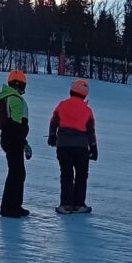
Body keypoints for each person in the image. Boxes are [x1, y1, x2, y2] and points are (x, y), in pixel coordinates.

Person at [48, 79, 97, 214]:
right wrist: (93, 148)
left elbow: (54, 121)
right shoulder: (87, 110)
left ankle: (65, 205)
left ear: (71, 91)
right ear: (85, 94)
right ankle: (79, 205)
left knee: (66, 175)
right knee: (81, 175)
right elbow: (91, 130)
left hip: (63, 146)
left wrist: (52, 136)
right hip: (81, 147)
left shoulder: (62, 105)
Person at [0, 69, 31, 218]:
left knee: (17, 173)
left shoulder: (7, 97)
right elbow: (17, 124)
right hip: (13, 140)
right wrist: (23, 142)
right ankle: (9, 208)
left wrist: (23, 142)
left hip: (10, 139)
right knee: (16, 173)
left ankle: (15, 206)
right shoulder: (15, 99)